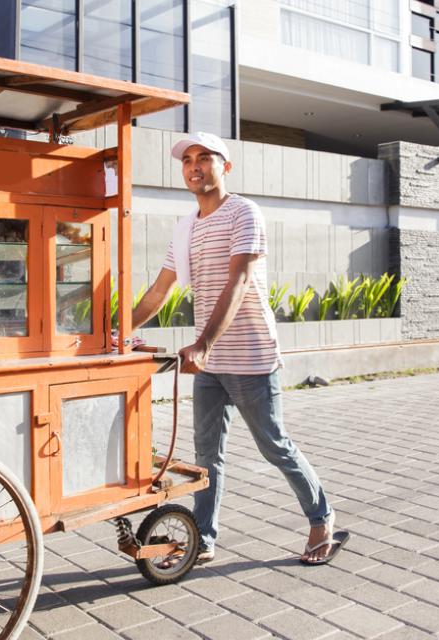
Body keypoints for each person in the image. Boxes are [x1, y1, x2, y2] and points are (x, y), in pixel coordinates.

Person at [132, 132, 349, 566]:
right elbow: (160, 288)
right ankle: (204, 539)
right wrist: (117, 331)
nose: (194, 166)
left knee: (274, 446)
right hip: (209, 367)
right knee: (206, 455)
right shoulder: (186, 226)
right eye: (187, 160)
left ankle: (321, 518)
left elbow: (240, 280)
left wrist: (203, 343)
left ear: (224, 166)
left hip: (250, 358)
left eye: (204, 158)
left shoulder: (244, 213)